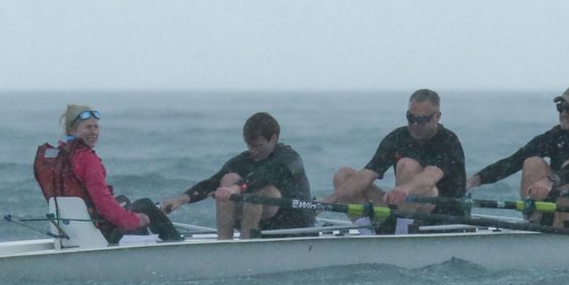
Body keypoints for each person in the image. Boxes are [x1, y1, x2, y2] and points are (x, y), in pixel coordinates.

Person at [465, 85, 569, 227]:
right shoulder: (555, 136)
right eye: (561, 107)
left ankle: (560, 233)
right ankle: (534, 221)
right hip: (561, 208)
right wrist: (475, 180)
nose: (564, 113)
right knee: (531, 162)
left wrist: (550, 180)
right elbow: (514, 161)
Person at [33, 104, 183, 243]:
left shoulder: (59, 158)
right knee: (146, 205)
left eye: (96, 127)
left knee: (124, 202)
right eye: (88, 127)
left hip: (71, 234)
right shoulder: (86, 159)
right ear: (72, 130)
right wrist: (135, 220)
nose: (94, 132)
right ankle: (176, 248)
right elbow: (104, 204)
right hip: (102, 234)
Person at [161, 112, 314, 239]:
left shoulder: (289, 159)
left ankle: (245, 246)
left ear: (274, 138)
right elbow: (212, 182)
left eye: (257, 146)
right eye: (249, 145)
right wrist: (181, 199)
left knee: (261, 191)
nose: (252, 151)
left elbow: (265, 176)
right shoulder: (245, 159)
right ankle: (225, 244)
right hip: (263, 227)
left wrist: (237, 188)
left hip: (292, 225)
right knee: (227, 179)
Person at [327, 89, 466, 218]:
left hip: (441, 213)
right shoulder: (398, 137)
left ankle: (402, 229)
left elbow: (429, 177)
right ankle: (367, 230)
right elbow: (368, 173)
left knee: (407, 165)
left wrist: (404, 189)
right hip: (403, 206)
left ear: (437, 116)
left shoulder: (448, 141)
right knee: (344, 176)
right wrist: (331, 200)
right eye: (411, 118)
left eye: (422, 120)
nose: (415, 125)